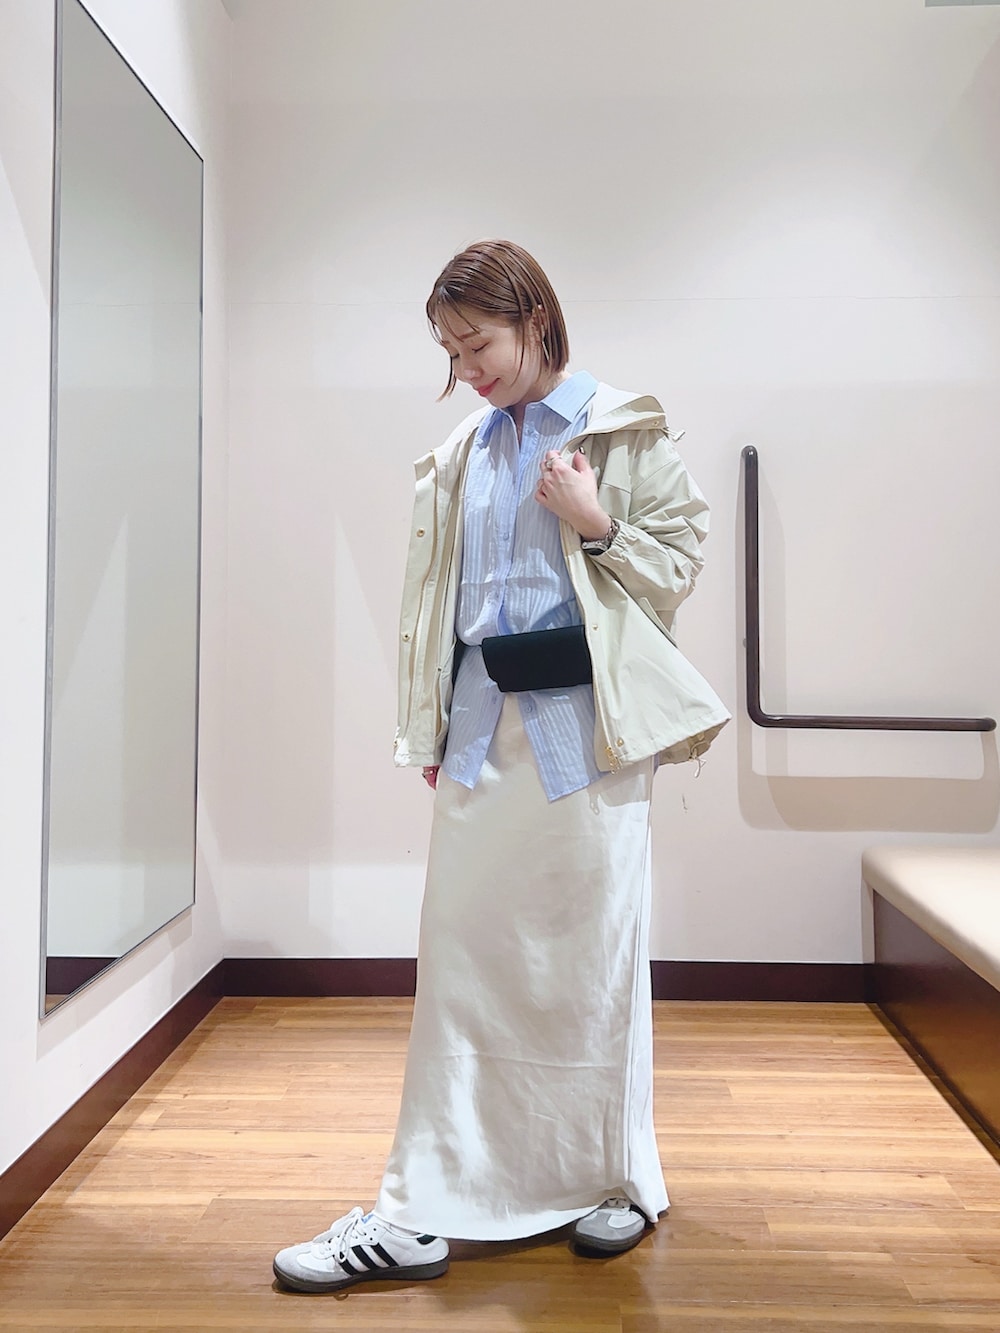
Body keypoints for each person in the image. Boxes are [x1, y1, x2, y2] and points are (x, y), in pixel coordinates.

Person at [273, 239, 729, 1294]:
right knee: (464, 970)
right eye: (449, 351)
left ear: (534, 318)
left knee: (590, 966)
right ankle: (422, 1204)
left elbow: (675, 569)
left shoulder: (622, 430)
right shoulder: (464, 449)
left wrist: (595, 520)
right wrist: (437, 726)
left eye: (476, 344)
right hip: (484, 733)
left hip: (588, 735)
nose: (464, 368)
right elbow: (445, 603)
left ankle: (613, 1180)